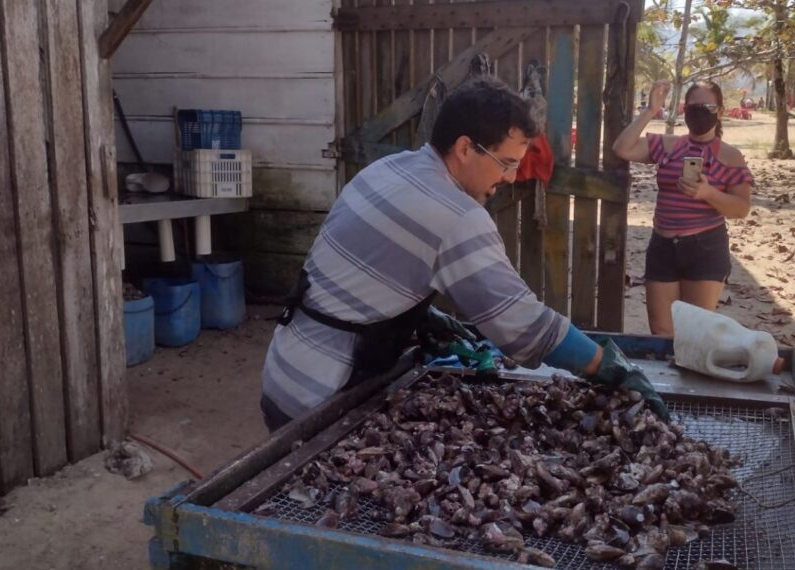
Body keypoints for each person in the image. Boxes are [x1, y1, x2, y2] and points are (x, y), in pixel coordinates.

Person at [260, 78, 669, 431]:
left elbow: (362, 274)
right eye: (505, 163)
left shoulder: (388, 169)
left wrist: (419, 314)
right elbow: (524, 327)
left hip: (282, 371)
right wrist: (609, 369)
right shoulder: (456, 216)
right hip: (319, 400)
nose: (510, 178)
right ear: (464, 148)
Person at [612, 80, 754, 357]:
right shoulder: (669, 146)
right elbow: (622, 148)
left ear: (720, 111)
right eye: (693, 107)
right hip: (663, 247)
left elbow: (741, 208)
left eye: (708, 107)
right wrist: (651, 110)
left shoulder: (730, 156)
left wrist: (708, 193)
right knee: (662, 333)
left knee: (696, 334)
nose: (699, 113)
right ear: (684, 110)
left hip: (704, 248)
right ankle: (667, 395)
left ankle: (693, 393)